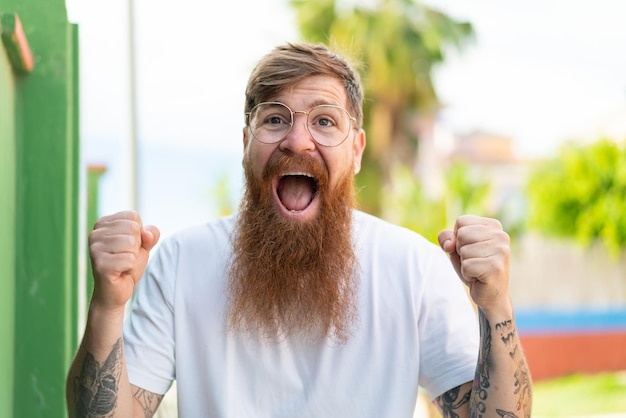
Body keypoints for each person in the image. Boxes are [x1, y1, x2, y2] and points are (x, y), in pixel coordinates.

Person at [66, 42, 532, 417]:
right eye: (274, 119)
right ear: (246, 142)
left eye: (325, 121)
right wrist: (108, 304)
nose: (297, 140)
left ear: (357, 150)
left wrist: (496, 305)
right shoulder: (181, 261)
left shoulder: (413, 267)